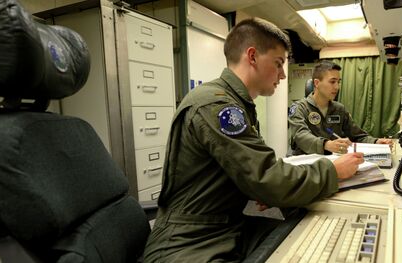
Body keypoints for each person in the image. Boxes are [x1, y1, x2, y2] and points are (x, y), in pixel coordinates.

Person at [143, 18, 364, 262]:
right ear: (252, 56)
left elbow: (250, 172)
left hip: (223, 226)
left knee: (306, 234)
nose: (282, 74)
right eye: (279, 64)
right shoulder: (218, 106)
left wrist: (256, 189)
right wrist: (332, 170)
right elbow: (267, 177)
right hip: (188, 241)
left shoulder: (238, 104)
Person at [288, 60, 393, 156]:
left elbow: (357, 135)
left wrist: (376, 142)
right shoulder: (299, 108)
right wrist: (326, 144)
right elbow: (301, 136)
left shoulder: (339, 109)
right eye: (332, 82)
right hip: (305, 166)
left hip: (331, 164)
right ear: (317, 83)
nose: (337, 87)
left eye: (338, 82)